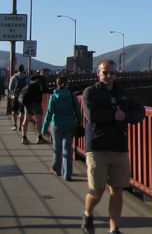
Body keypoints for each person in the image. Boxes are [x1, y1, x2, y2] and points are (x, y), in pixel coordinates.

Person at [81, 59, 145, 234]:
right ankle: (87, 214)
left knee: (117, 189)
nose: (109, 76)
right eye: (105, 72)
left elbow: (140, 112)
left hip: (119, 146)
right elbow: (92, 116)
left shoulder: (124, 93)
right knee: (98, 190)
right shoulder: (90, 92)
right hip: (97, 146)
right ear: (98, 73)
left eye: (112, 73)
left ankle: (114, 229)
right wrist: (114, 115)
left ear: (116, 74)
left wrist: (126, 117)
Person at [42, 75, 81, 181]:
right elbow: (77, 110)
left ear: (57, 84)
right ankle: (67, 173)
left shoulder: (53, 96)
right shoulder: (71, 96)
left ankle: (56, 169)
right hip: (70, 124)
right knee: (67, 149)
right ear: (67, 84)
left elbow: (49, 113)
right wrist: (78, 122)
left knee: (57, 148)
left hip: (56, 125)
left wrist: (44, 128)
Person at [21, 68, 50, 145]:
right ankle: (40, 138)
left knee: (26, 119)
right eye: (47, 73)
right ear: (43, 72)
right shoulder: (41, 79)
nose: (48, 75)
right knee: (39, 120)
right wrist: (52, 90)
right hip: (35, 102)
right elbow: (43, 90)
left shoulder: (33, 79)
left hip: (27, 101)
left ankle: (24, 138)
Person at [8, 64, 29, 133]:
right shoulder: (27, 77)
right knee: (22, 111)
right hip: (24, 96)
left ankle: (15, 125)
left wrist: (11, 94)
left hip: (16, 96)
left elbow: (10, 88)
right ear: (23, 69)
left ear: (18, 69)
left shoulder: (14, 77)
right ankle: (21, 125)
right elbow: (29, 86)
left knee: (14, 110)